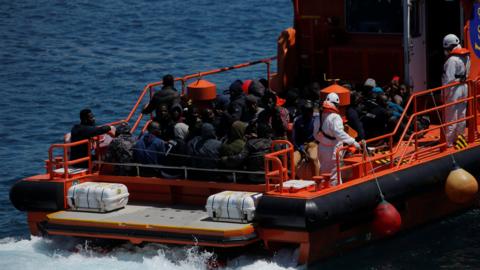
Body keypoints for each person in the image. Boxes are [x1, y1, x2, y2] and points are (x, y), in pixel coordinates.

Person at [314, 93, 360, 185]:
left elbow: (315, 134)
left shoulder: (319, 117)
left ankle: (323, 189)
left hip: (322, 149)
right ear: (337, 104)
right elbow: (339, 133)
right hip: (333, 150)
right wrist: (353, 142)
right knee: (335, 176)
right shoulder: (335, 117)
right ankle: (335, 191)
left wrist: (325, 141)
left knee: (324, 173)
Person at [441, 33, 471, 147]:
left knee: (451, 116)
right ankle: (460, 137)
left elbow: (448, 80)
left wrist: (444, 95)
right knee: (462, 114)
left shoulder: (451, 60)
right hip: (464, 87)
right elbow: (467, 73)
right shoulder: (466, 56)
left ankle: (448, 143)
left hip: (454, 90)